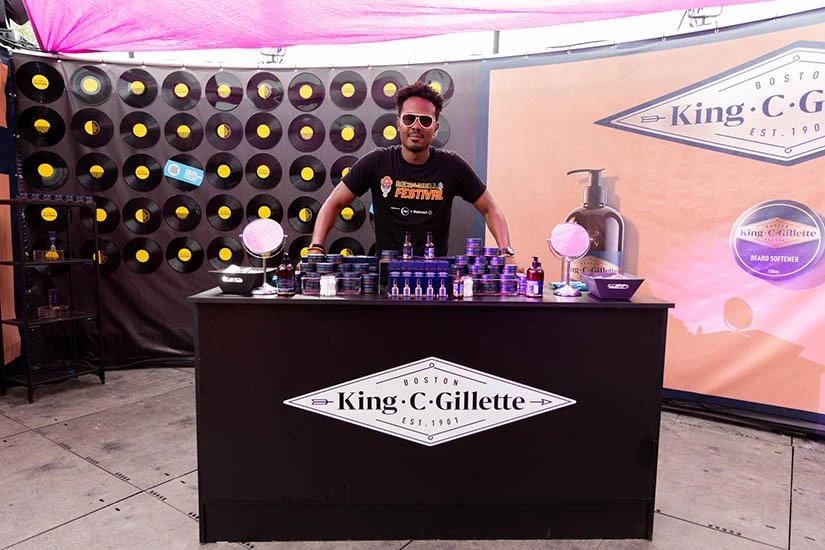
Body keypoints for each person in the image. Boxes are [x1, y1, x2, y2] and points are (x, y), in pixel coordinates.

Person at [307, 80, 514, 259]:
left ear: (435, 128)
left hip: (434, 282)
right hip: (386, 282)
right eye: (409, 119)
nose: (416, 126)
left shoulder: (452, 166)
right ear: (398, 123)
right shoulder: (377, 162)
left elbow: (490, 208)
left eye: (425, 120)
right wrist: (316, 247)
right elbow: (334, 203)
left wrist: (506, 253)